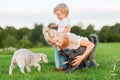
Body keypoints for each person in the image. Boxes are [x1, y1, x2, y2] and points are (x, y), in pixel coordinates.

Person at [49, 3, 71, 70]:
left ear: (65, 13)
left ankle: (59, 66)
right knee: (60, 53)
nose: (57, 16)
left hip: (62, 39)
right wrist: (56, 26)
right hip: (60, 39)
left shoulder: (65, 20)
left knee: (59, 53)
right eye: (56, 14)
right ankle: (61, 66)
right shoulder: (64, 20)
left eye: (59, 14)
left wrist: (60, 33)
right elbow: (61, 25)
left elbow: (68, 28)